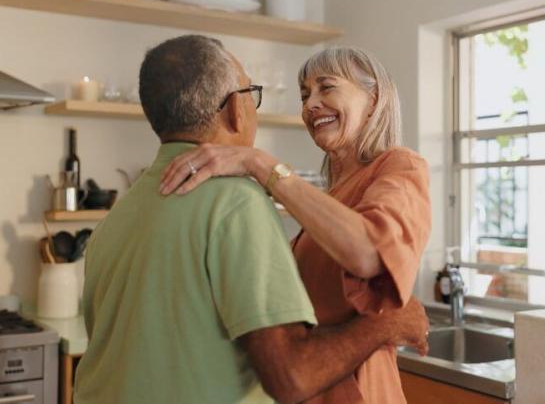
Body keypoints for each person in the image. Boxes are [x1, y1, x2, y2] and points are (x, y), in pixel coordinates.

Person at [73, 35, 429, 404]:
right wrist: (388, 322)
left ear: (374, 100)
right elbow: (287, 367)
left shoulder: (120, 216)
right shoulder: (244, 202)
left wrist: (258, 163)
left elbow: (370, 252)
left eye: (326, 87)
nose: (310, 104)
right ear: (235, 110)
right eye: (304, 93)